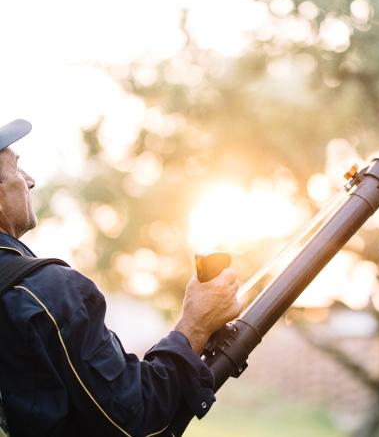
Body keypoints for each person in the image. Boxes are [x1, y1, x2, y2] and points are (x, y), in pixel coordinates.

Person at [0, 119, 242, 436]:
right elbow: (134, 420)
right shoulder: (48, 293)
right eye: (17, 168)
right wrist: (195, 325)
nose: (29, 181)